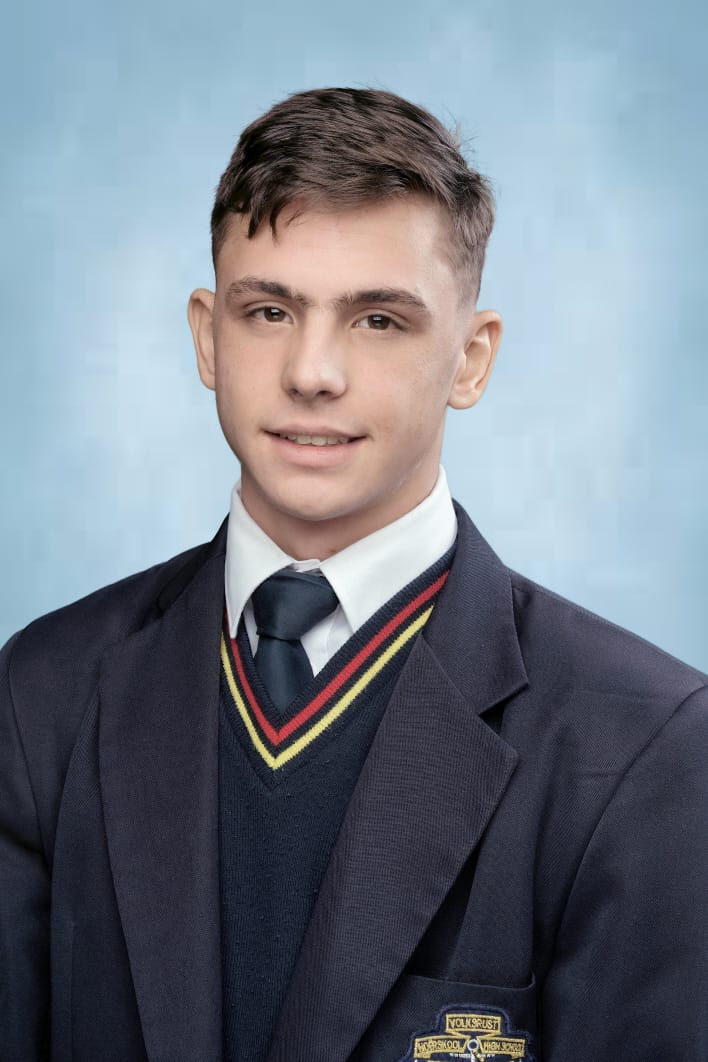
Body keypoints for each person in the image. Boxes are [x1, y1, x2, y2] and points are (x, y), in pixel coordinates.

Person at [0, 87, 706, 1062]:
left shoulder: (644, 748)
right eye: (269, 310)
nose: (312, 371)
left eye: (377, 319)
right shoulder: (43, 697)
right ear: (208, 336)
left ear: (471, 359)